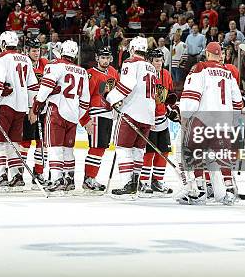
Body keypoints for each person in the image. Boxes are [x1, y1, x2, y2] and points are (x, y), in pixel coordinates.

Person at [176, 42, 244, 205]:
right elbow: (238, 102)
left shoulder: (200, 68)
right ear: (220, 54)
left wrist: (185, 116)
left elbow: (191, 96)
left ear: (207, 54)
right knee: (223, 156)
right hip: (223, 120)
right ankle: (229, 191)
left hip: (203, 119)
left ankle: (200, 192)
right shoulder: (228, 72)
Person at [0, 31, 38, 191]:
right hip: (21, 108)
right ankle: (17, 177)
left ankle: (1, 177)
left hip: (4, 106)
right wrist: (30, 108)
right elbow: (33, 86)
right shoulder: (26, 59)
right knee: (13, 143)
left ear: (3, 44)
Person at [32, 40, 90, 192]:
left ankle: (57, 179)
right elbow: (85, 100)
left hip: (56, 111)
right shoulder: (82, 71)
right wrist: (79, 115)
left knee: (54, 148)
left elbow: (46, 85)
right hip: (72, 114)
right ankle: (69, 179)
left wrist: (38, 102)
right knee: (68, 149)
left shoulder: (54, 65)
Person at [105, 37, 156, 196]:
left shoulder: (130, 62)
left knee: (123, 148)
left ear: (132, 49)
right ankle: (136, 182)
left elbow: (127, 85)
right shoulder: (152, 68)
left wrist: (110, 98)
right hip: (148, 115)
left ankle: (128, 184)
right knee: (138, 151)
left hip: (132, 113)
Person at [79, 47, 119, 192]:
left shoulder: (113, 72)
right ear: (97, 58)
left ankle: (91, 178)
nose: (105, 61)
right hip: (96, 114)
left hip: (109, 115)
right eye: (102, 58)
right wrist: (85, 119)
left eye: (108, 58)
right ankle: (89, 179)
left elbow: (118, 91)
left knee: (101, 148)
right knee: (96, 148)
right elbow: (84, 98)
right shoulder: (90, 74)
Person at [139, 49, 176, 196]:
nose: (159, 63)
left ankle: (157, 181)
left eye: (161, 60)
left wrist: (172, 110)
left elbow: (169, 96)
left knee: (164, 151)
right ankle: (143, 181)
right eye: (156, 60)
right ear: (149, 61)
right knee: (149, 152)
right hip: (148, 120)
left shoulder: (166, 74)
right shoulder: (145, 75)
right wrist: (148, 117)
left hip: (162, 120)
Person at [18, 38, 49, 186]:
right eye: (34, 50)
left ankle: (39, 172)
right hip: (27, 109)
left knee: (42, 143)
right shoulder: (24, 64)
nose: (37, 53)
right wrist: (31, 108)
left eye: (38, 50)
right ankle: (19, 172)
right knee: (25, 142)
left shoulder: (45, 64)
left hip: (43, 109)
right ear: (27, 51)